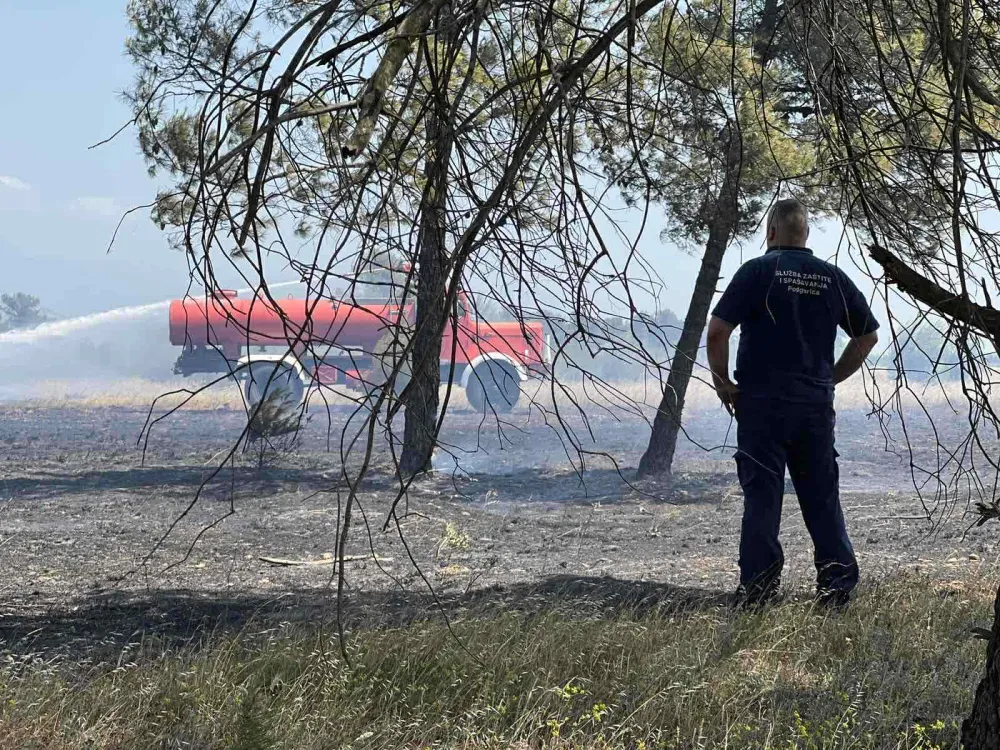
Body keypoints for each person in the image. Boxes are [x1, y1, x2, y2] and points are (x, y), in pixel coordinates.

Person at [706, 198, 879, 609]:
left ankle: (758, 591)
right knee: (821, 498)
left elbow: (717, 332)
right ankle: (836, 589)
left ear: (770, 231)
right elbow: (867, 336)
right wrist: (831, 377)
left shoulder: (757, 272)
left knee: (763, 499)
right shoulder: (832, 277)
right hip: (814, 409)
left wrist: (722, 383)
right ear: (805, 233)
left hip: (763, 408)